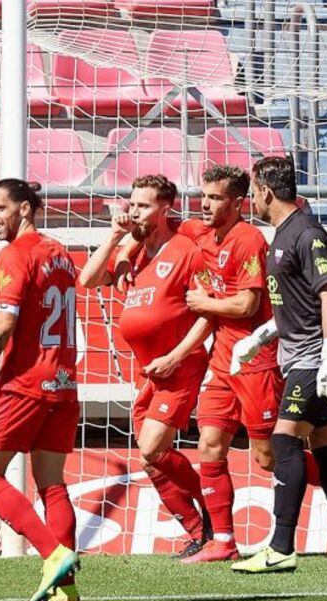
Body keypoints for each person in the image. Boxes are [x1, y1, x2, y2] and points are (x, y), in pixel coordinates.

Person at [230, 156, 327, 573]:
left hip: (314, 360)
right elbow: (298, 303)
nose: (252, 199)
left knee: (284, 440)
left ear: (267, 192)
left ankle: (281, 546)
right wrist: (261, 337)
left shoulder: (307, 235)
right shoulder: (281, 236)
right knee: (326, 449)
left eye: (254, 192)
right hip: (299, 355)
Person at [78, 174, 214, 560]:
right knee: (149, 458)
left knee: (153, 449)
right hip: (147, 371)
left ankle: (213, 518)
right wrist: (115, 238)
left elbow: (207, 312)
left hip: (179, 366)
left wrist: (176, 356)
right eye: (131, 203)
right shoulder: (134, 249)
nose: (132, 211)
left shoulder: (186, 250)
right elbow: (87, 280)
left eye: (142, 205)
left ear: (164, 208)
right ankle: (198, 528)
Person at [0, 179, 80, 601]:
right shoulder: (61, 255)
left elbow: (4, 323)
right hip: (64, 385)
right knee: (52, 484)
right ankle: (65, 590)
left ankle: (53, 554)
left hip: (25, 386)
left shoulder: (16, 254)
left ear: (26, 210)